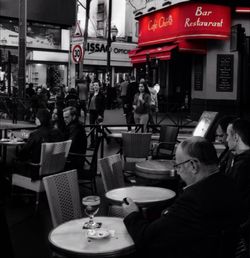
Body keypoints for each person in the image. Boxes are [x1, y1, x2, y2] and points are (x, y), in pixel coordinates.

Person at [122, 136, 245, 258]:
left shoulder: (194, 200)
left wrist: (131, 214)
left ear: (193, 165)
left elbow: (147, 238)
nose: (178, 173)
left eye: (178, 166)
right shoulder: (229, 183)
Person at [16, 109, 64, 180]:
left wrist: (18, 150)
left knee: (14, 162)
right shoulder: (58, 132)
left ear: (39, 120)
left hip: (36, 172)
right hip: (55, 171)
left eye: (36, 118)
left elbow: (23, 154)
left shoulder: (36, 134)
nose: (35, 120)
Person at [88, 80, 105, 148]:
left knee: (98, 129)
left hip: (98, 113)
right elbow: (90, 102)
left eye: (96, 85)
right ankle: (92, 143)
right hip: (91, 112)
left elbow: (103, 106)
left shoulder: (101, 95)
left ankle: (100, 140)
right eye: (94, 85)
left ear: (99, 86)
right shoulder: (91, 94)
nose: (95, 86)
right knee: (91, 128)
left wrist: (101, 115)